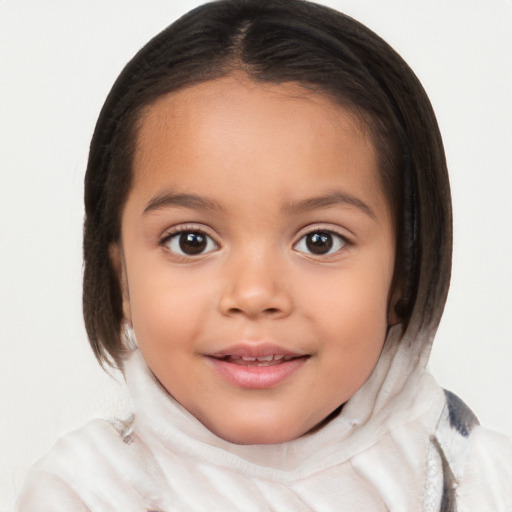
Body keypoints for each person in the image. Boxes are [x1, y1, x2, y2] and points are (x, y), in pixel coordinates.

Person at [15, 0, 511, 510]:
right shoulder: (83, 494)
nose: (254, 295)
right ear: (121, 281)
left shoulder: (484, 485)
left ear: (403, 271)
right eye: (192, 241)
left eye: (320, 240)